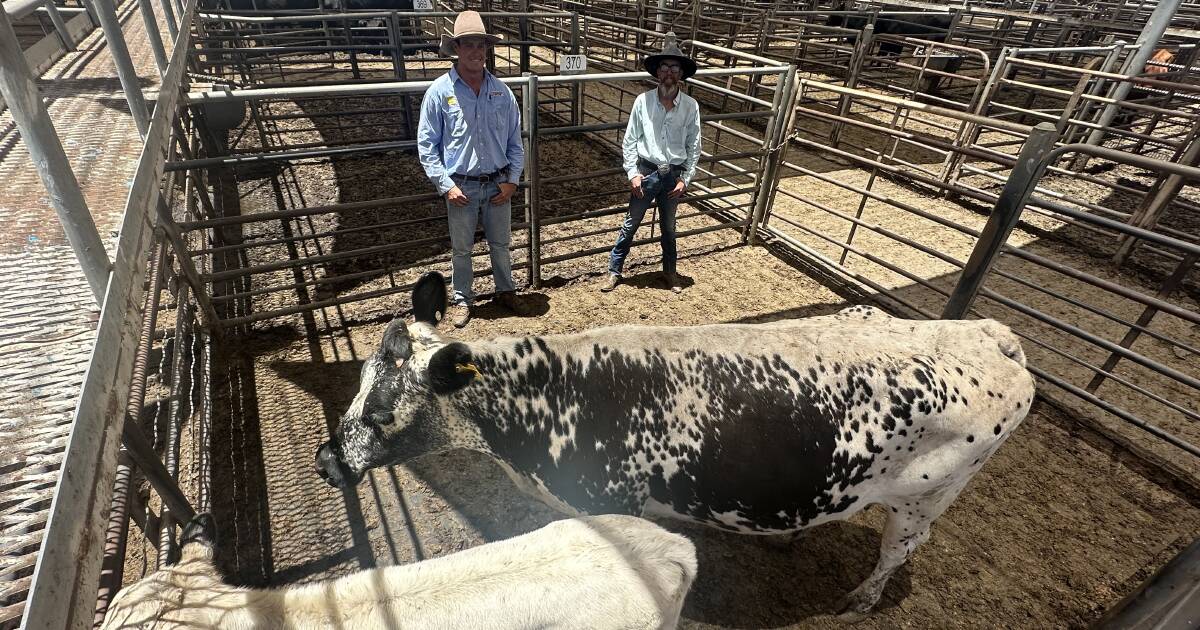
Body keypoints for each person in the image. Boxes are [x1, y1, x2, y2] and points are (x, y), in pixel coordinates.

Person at [417, 11, 525, 328]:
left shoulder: (502, 93)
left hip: (497, 183)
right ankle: (463, 299)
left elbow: (514, 143)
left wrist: (512, 181)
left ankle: (505, 290)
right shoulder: (439, 92)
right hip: (460, 185)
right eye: (468, 45)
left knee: (501, 243)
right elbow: (427, 145)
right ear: (457, 48)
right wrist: (446, 185)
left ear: (487, 49)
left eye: (480, 45)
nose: (475, 52)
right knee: (462, 249)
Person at [601, 33, 701, 295]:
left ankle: (669, 272)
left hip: (673, 176)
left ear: (681, 73)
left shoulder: (690, 107)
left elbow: (694, 145)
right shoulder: (642, 102)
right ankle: (614, 270)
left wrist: (685, 179)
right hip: (646, 173)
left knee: (669, 227)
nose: (669, 72)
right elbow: (630, 140)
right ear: (657, 71)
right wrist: (633, 173)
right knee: (630, 223)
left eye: (674, 67)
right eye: (665, 67)